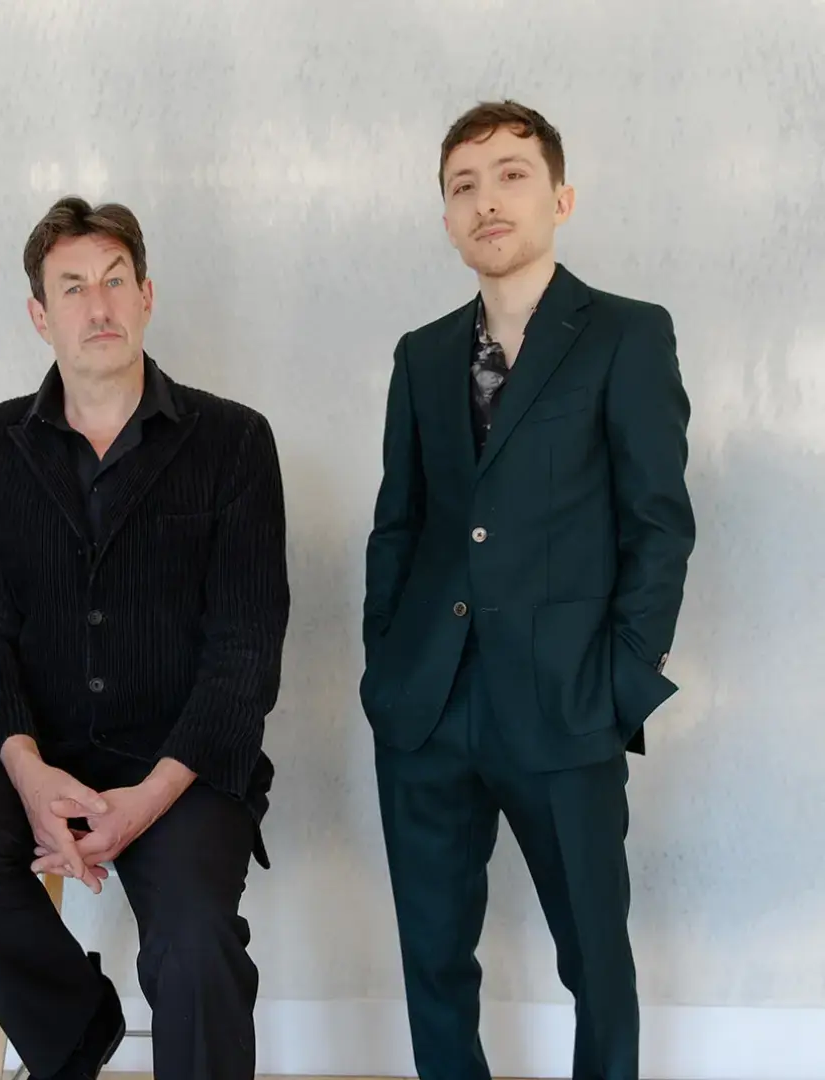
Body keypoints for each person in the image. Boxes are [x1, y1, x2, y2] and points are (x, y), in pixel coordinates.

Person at [0, 196, 290, 1080]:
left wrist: (148, 799)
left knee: (196, 943)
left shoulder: (235, 442)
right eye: (72, 288)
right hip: (31, 743)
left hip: (181, 760)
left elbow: (247, 648)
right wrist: (28, 774)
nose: (97, 305)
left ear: (147, 295)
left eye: (114, 281)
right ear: (40, 314)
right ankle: (77, 1030)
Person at [361, 101, 695, 1080]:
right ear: (447, 217)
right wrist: (388, 669)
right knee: (434, 962)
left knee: (595, 957)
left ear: (561, 197)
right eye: (463, 185)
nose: (487, 200)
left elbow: (658, 524)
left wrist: (621, 683)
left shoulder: (627, 335)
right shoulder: (423, 354)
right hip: (428, 706)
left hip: (566, 702)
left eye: (511, 174)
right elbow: (399, 525)